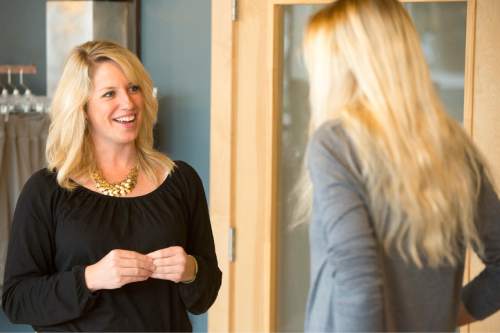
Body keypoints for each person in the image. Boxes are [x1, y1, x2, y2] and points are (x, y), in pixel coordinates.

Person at [301, 0, 500, 331]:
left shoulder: (335, 143)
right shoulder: (453, 148)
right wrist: (441, 319)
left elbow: (358, 283)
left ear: (343, 69)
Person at [1, 40, 222, 332]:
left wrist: (190, 270)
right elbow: (18, 300)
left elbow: (204, 296)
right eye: (109, 94)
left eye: (134, 88)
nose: (128, 103)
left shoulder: (181, 181)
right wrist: (90, 278)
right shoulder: (46, 191)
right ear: (82, 108)